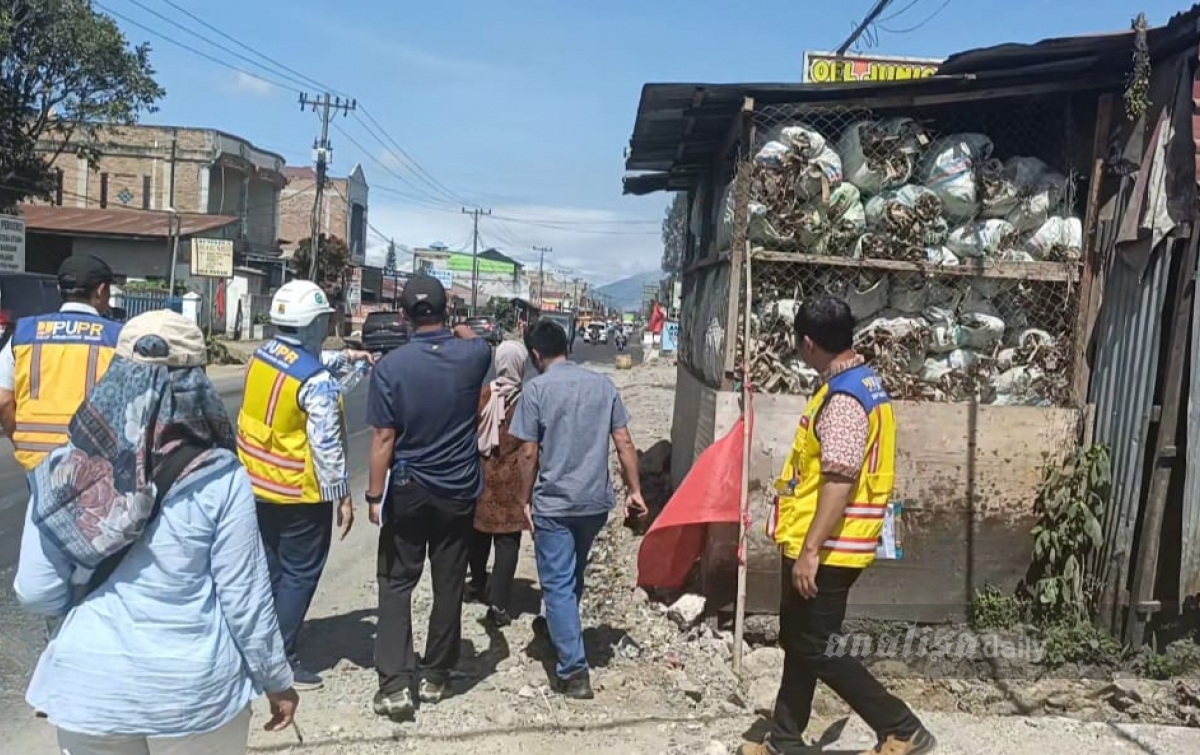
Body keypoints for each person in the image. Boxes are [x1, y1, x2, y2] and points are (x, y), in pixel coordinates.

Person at [15, 309, 299, 755]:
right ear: (197, 382)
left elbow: (35, 590)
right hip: (194, 697)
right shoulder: (220, 476)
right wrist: (277, 681)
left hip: (91, 688)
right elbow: (244, 601)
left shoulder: (63, 467)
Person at [739, 296, 935, 755]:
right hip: (827, 542)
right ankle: (784, 739)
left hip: (829, 548)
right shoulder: (856, 383)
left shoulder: (846, 398)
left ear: (808, 344)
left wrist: (810, 550)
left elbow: (839, 480)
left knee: (816, 645)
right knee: (800, 637)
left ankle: (901, 726)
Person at [236, 279, 374, 691]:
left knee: (273, 566)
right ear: (312, 323)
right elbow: (327, 444)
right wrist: (343, 497)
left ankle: (259, 644)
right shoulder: (314, 381)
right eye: (325, 320)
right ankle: (281, 659)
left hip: (258, 482)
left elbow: (305, 363)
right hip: (299, 490)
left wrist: (348, 357)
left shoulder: (263, 355)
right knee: (300, 571)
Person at [366, 274, 491, 721]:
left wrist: (374, 496)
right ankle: (436, 674)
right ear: (447, 313)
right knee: (449, 581)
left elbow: (383, 438)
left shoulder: (389, 368)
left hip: (408, 488)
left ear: (402, 317)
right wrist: (457, 329)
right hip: (458, 489)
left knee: (397, 581)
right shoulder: (473, 356)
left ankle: (397, 683)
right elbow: (475, 339)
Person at [510, 320, 646, 700]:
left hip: (554, 502)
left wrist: (524, 498)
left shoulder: (535, 390)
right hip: (593, 502)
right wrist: (635, 490)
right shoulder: (602, 385)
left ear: (536, 355)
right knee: (571, 574)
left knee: (556, 582)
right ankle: (560, 630)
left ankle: (573, 670)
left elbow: (527, 452)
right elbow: (624, 441)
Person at [0, 255, 120, 470]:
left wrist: (20, 439)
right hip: (92, 460)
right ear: (101, 291)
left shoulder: (22, 333)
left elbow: (4, 401)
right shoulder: (117, 338)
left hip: (35, 458)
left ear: (58, 289)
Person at [465, 340, 532, 627]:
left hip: (482, 477)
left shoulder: (482, 396)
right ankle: (500, 604)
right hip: (514, 482)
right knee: (507, 542)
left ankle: (478, 582)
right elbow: (531, 449)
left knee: (478, 534)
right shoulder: (527, 402)